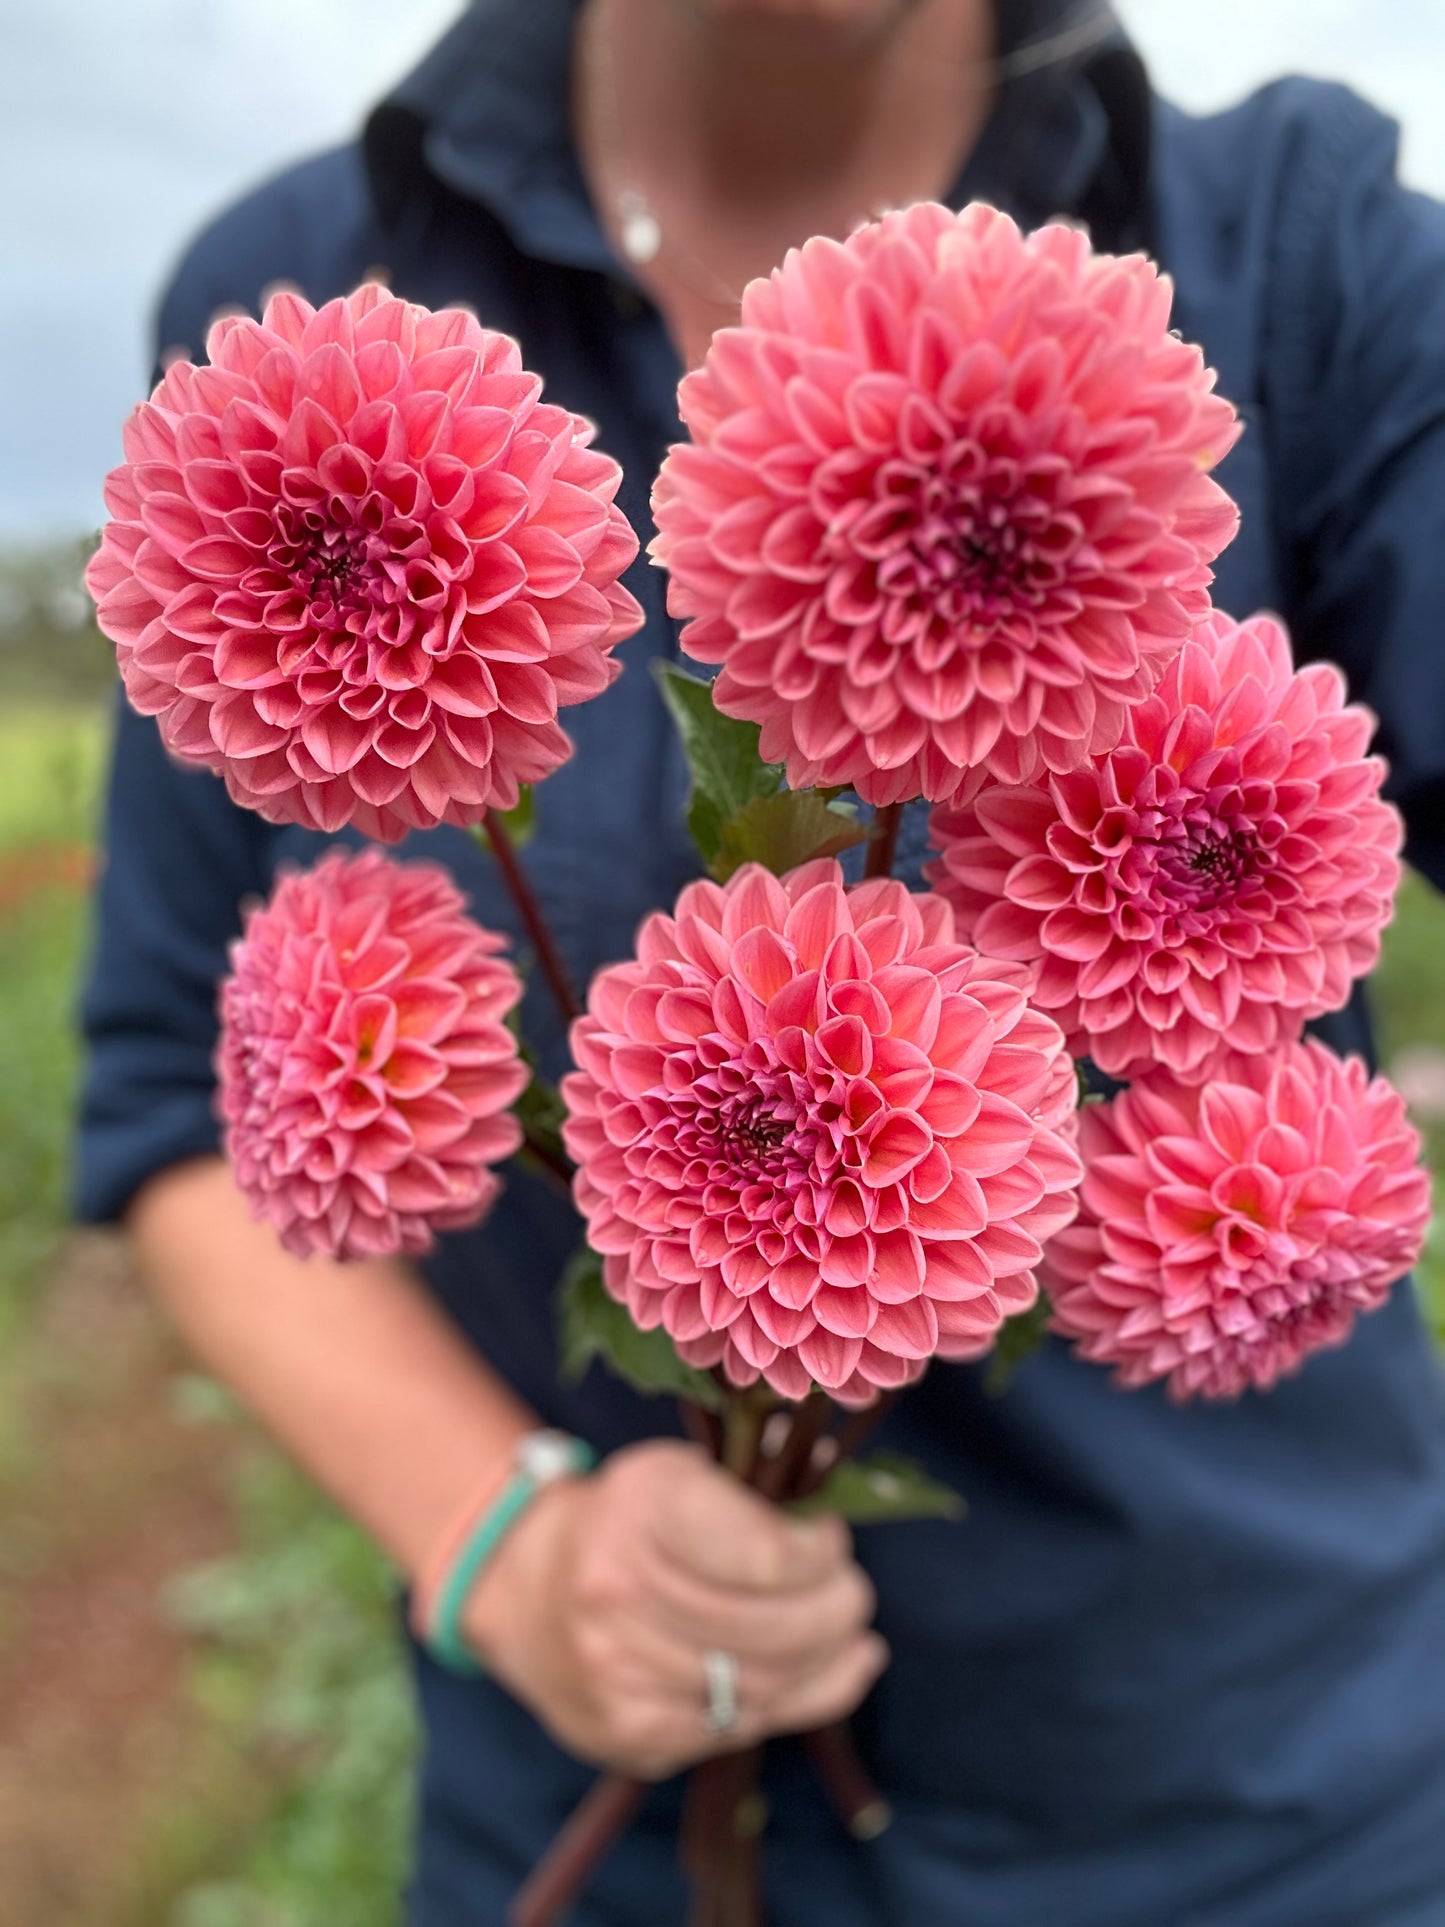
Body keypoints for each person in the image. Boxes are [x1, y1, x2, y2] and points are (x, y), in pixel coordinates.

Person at [76, 1, 1445, 1921]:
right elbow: (168, 1093)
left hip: (1249, 1814)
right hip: (600, 1819)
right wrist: (510, 1549)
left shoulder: (1307, 249)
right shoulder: (296, 289)